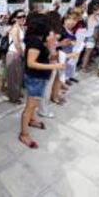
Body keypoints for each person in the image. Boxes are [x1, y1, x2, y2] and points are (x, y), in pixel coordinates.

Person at [19, 16, 64, 148]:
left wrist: (51, 48)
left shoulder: (40, 40)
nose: (51, 29)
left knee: (35, 103)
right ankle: (24, 134)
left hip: (41, 77)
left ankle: (31, 120)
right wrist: (54, 66)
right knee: (30, 106)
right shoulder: (34, 41)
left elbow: (50, 56)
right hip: (35, 78)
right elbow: (31, 63)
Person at [6, 9, 26, 104]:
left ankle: (16, 93)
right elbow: (17, 44)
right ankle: (13, 98)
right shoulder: (15, 28)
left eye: (24, 16)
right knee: (14, 77)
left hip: (19, 54)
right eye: (19, 17)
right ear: (14, 18)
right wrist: (23, 54)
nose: (22, 18)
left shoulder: (22, 27)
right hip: (15, 54)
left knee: (19, 76)